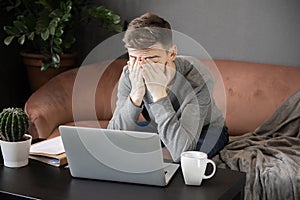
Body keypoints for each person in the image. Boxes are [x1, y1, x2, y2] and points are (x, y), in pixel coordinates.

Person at [107, 13, 228, 162]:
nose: (142, 67)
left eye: (152, 59)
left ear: (171, 53)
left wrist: (159, 94)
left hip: (206, 129)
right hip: (160, 126)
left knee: (188, 159)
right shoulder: (130, 73)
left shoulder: (196, 76)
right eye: (134, 58)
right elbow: (113, 136)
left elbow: (181, 151)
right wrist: (136, 94)